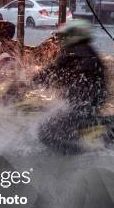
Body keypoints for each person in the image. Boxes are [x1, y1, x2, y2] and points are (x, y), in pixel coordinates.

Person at [29, 20, 107, 154]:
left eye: (65, 36)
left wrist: (28, 83)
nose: (62, 39)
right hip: (88, 103)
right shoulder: (87, 51)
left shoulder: (75, 53)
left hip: (81, 105)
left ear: (74, 35)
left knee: (45, 131)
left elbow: (52, 72)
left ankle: (77, 157)